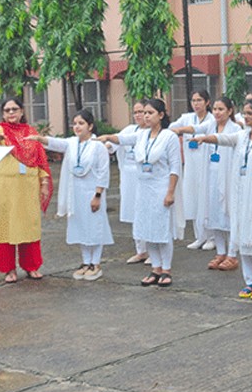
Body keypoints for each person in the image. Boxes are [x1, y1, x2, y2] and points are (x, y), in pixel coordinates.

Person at [192, 98, 252, 299]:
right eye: (244, 113)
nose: (246, 117)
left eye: (250, 113)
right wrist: (204, 138)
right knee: (243, 238)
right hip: (242, 195)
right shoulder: (241, 136)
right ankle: (251, 281)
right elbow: (223, 139)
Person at [100, 99, 184, 287]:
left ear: (161, 115)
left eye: (150, 113)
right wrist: (104, 137)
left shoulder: (168, 137)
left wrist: (170, 192)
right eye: (144, 112)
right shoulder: (141, 135)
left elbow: (175, 167)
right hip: (143, 188)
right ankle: (155, 268)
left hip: (161, 187)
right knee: (147, 229)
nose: (145, 116)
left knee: (162, 230)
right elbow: (120, 139)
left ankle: (166, 269)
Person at [28, 110, 114, 281]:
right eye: (74, 123)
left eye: (81, 123)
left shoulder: (98, 146)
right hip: (76, 193)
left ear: (90, 126)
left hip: (92, 192)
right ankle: (85, 262)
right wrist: (38, 139)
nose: (77, 127)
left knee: (94, 226)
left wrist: (98, 195)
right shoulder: (72, 143)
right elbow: (55, 143)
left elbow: (103, 173)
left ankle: (95, 263)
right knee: (80, 226)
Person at [172, 97, 242, 271]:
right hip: (211, 175)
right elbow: (195, 128)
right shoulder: (210, 124)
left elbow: (221, 140)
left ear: (230, 111)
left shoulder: (236, 129)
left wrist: (206, 138)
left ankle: (232, 254)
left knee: (229, 214)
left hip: (227, 177)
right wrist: (178, 130)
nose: (217, 113)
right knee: (214, 214)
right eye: (216, 109)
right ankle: (220, 252)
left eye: (221, 109)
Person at [0, 97, 51, 283]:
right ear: (3, 113)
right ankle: (9, 270)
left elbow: (40, 159)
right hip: (4, 188)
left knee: (28, 226)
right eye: (7, 110)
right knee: (5, 226)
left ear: (22, 111)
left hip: (27, 187)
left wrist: (44, 183)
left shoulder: (31, 132)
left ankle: (31, 266)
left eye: (14, 109)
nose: (11, 113)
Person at [169, 89, 215, 250]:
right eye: (193, 100)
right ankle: (199, 236)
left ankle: (211, 236)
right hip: (191, 166)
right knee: (194, 198)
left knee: (207, 199)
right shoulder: (186, 118)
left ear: (207, 102)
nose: (196, 104)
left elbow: (197, 129)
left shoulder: (212, 119)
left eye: (199, 100)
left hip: (208, 165)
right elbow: (171, 128)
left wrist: (182, 130)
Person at [108, 101, 149, 265]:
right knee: (134, 214)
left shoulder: (156, 134)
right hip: (129, 179)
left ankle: (154, 251)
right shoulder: (129, 130)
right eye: (136, 112)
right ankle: (141, 250)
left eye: (143, 112)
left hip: (146, 179)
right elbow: (112, 144)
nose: (139, 115)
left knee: (148, 213)